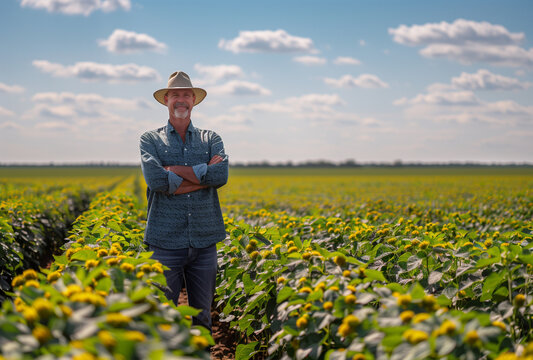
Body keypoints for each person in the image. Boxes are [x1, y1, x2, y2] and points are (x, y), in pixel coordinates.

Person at [139, 71, 228, 333]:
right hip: (164, 242)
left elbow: (220, 176)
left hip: (204, 241)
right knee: (162, 321)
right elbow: (157, 182)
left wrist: (173, 172)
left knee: (203, 321)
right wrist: (203, 175)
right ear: (166, 99)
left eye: (186, 94)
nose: (181, 99)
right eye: (175, 95)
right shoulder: (150, 139)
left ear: (193, 100)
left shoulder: (211, 138)